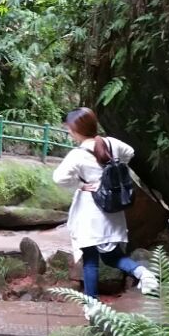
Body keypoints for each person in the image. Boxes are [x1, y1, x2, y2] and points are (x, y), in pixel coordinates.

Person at [52, 107, 158, 297]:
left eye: (70, 129)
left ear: (77, 130)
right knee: (110, 256)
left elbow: (59, 178)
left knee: (90, 260)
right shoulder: (111, 143)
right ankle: (143, 273)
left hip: (91, 211)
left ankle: (92, 306)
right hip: (112, 210)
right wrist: (115, 168)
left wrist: (81, 185)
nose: (69, 133)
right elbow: (130, 152)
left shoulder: (77, 154)